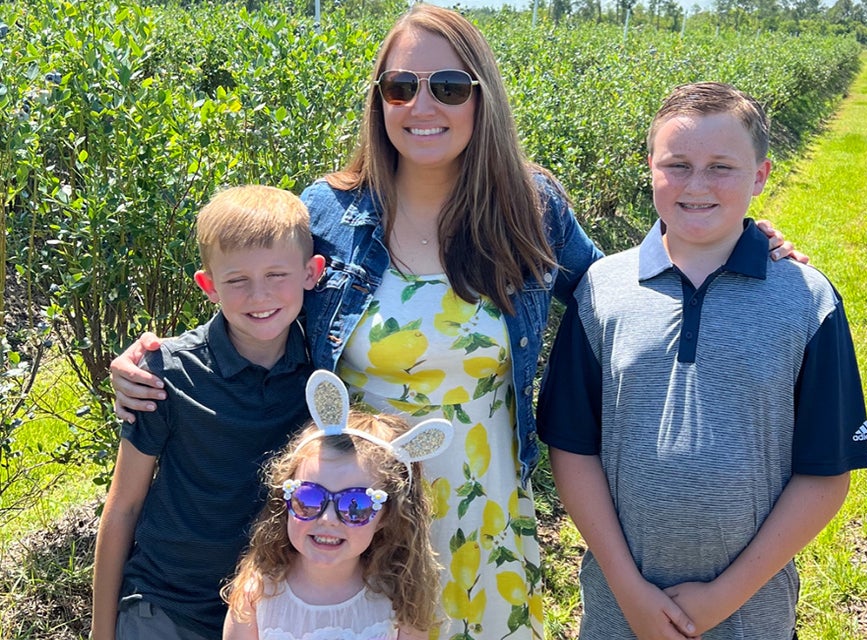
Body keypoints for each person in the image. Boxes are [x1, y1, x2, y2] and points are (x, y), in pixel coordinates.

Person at [108, 7, 802, 637]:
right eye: (400, 88)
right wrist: (156, 360)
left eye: (447, 87)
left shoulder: (529, 206)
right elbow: (258, 298)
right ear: (379, 100)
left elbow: (619, 293)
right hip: (354, 519)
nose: (421, 106)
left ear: (480, 96)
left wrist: (735, 239)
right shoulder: (327, 211)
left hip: (481, 508)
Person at [536, 81, 867, 640]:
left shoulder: (806, 300)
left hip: (751, 613)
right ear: (650, 168)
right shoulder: (602, 290)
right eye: (678, 164)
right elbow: (573, 448)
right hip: (619, 607)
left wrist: (722, 597)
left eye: (722, 167)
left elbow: (826, 474)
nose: (697, 185)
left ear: (761, 176)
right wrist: (630, 591)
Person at [91, 185, 325, 640]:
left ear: (310, 273)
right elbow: (123, 506)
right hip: (165, 605)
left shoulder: (325, 371)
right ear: (209, 286)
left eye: (277, 274)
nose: (259, 295)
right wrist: (101, 632)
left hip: (272, 612)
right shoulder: (165, 375)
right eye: (237, 280)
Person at [222, 369, 453, 640]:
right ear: (285, 500)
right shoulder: (256, 594)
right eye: (309, 498)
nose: (329, 518)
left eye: (355, 505)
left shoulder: (398, 604)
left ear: (388, 516)